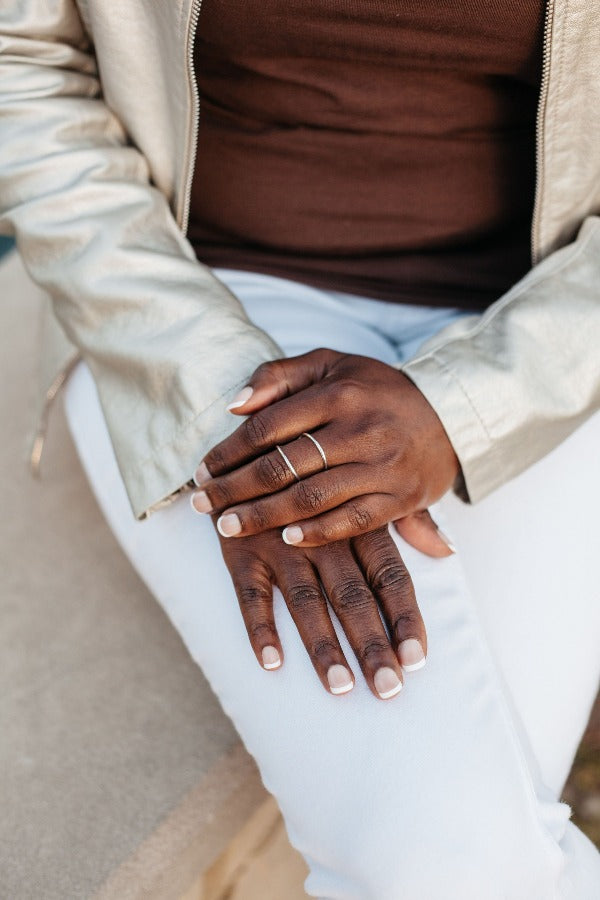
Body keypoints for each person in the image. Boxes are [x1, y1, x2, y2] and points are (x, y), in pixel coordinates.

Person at [1, 2, 599, 897]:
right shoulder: (204, 360)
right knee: (440, 853)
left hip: (548, 320)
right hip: (190, 301)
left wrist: (467, 405)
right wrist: (226, 415)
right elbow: (22, 62)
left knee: (445, 853)